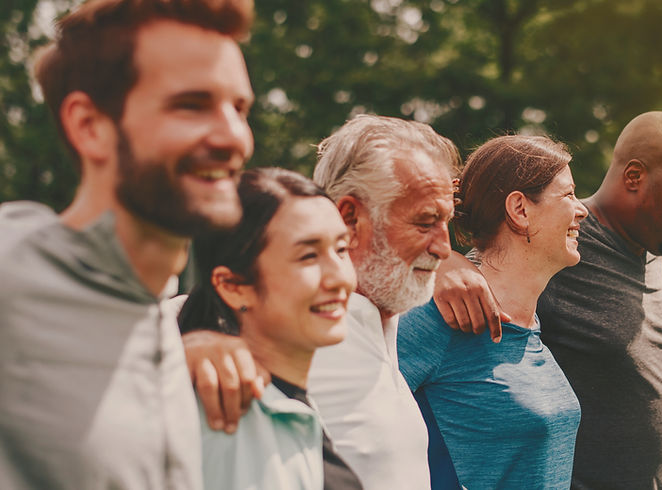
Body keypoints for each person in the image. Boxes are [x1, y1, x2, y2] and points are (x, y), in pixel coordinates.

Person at [432, 111, 662, 489]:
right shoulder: (564, 243)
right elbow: (491, 255)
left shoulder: (650, 250)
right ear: (634, 177)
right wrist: (444, 262)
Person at [0, 0, 254, 488]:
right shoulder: (13, 275)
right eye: (191, 104)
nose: (234, 136)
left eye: (240, 108)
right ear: (89, 126)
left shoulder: (159, 315)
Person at [181, 114, 460, 489]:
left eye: (338, 250)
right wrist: (191, 343)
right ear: (350, 216)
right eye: (425, 222)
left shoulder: (371, 323)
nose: (445, 248)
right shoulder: (285, 332)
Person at [398, 135, 587, 488]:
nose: (582, 209)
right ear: (520, 210)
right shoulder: (438, 316)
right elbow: (341, 420)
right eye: (568, 195)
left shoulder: (529, 324)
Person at [177, 168, 361, 489]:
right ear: (233, 286)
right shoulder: (221, 421)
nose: (340, 277)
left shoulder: (290, 406)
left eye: (341, 249)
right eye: (308, 256)